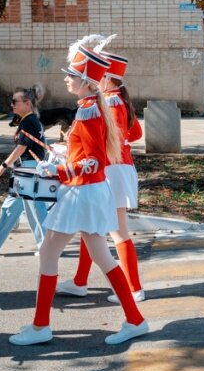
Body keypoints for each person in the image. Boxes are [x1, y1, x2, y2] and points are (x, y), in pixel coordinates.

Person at [8, 36, 148, 346]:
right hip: (88, 191)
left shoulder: (88, 110)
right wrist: (63, 153)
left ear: (85, 80)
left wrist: (57, 169)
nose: (66, 79)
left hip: (82, 191)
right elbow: (88, 153)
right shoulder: (92, 105)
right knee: (102, 257)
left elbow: (93, 160)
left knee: (49, 252)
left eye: (71, 75)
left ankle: (41, 326)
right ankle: (135, 319)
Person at [60, 41, 146, 302]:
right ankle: (80, 281)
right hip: (119, 167)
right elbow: (135, 133)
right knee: (92, 226)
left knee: (117, 231)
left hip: (112, 169)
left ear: (106, 77)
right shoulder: (120, 100)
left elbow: (107, 139)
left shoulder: (108, 102)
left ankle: (134, 289)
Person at [0, 84, 50, 254]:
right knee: (10, 208)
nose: (12, 104)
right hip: (24, 170)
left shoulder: (30, 121)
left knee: (36, 210)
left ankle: (47, 246)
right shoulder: (27, 120)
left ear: (28, 103)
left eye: (15, 101)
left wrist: (2, 167)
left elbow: (21, 147)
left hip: (29, 170)